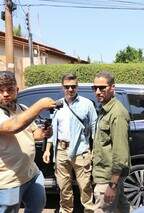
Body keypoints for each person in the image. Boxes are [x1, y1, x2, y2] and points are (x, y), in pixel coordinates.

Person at [0, 71, 56, 213]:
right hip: (8, 180)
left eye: (10, 89)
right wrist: (40, 105)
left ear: (17, 90)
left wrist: (44, 132)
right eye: (0, 90)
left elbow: (33, 134)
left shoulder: (23, 109)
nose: (5, 94)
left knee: (37, 205)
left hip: (31, 173)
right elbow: (13, 127)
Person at [42, 73, 97, 213]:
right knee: (63, 187)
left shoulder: (87, 104)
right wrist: (48, 149)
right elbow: (52, 130)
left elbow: (95, 128)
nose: (70, 89)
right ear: (62, 87)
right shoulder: (57, 105)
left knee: (85, 186)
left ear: (77, 86)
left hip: (81, 151)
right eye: (67, 87)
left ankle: (89, 210)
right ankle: (66, 210)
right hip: (60, 150)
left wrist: (95, 150)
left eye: (73, 86)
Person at [92, 71, 131, 213]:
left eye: (102, 88)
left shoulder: (117, 113)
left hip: (108, 179)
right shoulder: (105, 110)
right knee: (122, 209)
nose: (97, 92)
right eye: (95, 88)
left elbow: (120, 154)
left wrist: (112, 185)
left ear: (112, 87)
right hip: (107, 176)